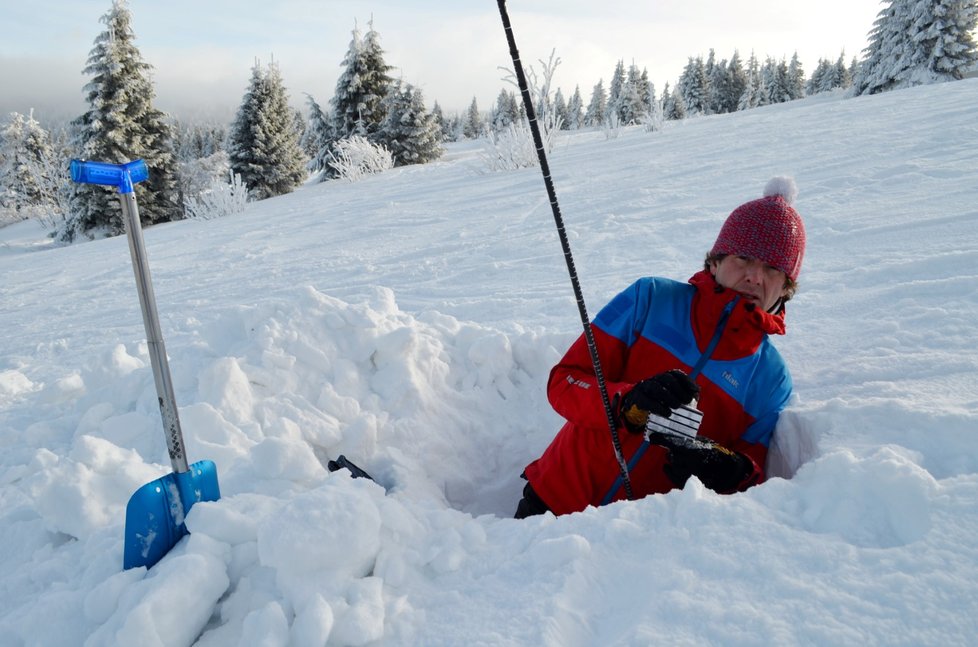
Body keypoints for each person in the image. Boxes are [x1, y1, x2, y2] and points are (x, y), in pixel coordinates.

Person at [515, 177, 806, 518]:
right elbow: (564, 382)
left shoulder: (771, 379)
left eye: (772, 268)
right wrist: (625, 404)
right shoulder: (649, 299)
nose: (754, 277)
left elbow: (753, 475)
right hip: (552, 500)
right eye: (743, 258)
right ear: (714, 261)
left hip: (642, 541)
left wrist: (728, 469)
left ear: (787, 288)